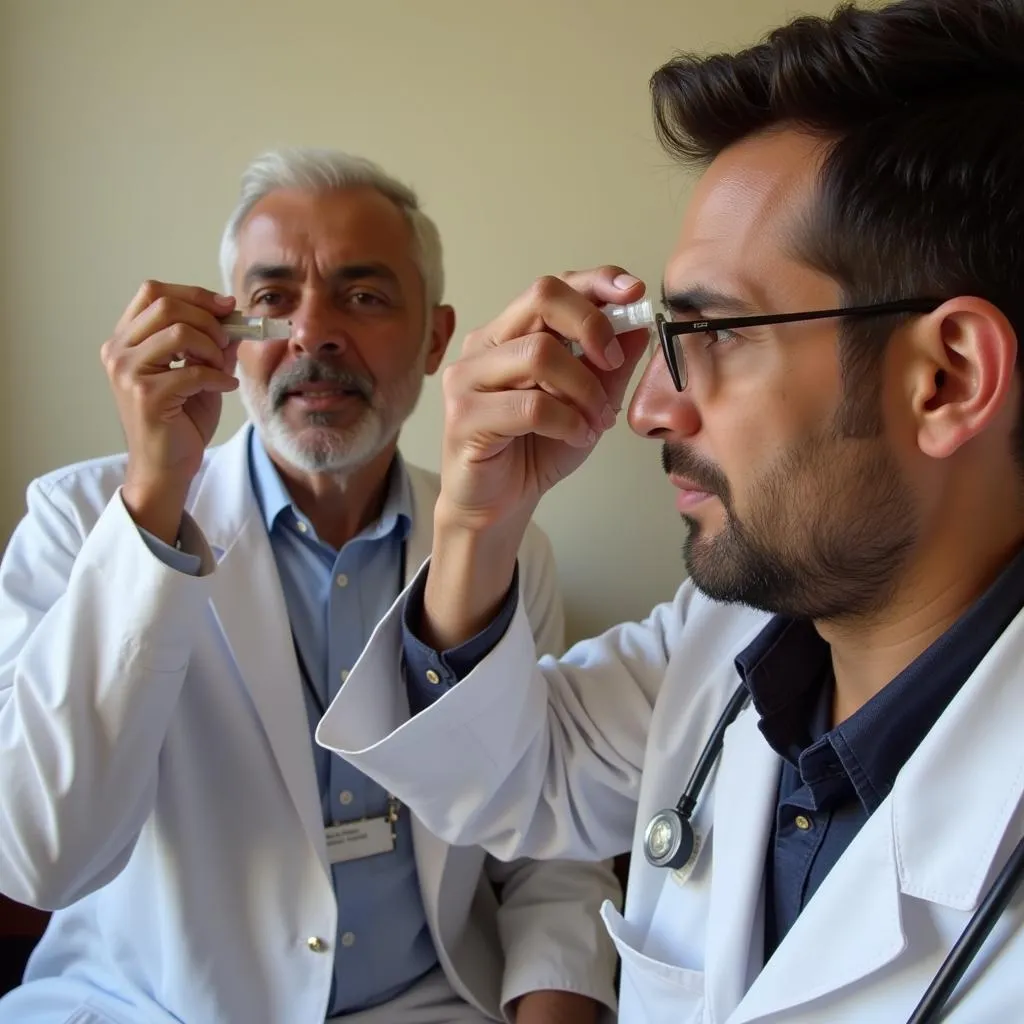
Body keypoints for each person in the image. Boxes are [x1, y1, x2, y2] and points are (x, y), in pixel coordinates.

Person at [316, 2, 1024, 1021]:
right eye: (660, 332)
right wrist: (477, 520)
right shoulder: (726, 648)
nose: (647, 406)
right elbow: (508, 783)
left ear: (945, 378)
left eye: (714, 332)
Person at [0, 149, 620, 1024]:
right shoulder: (81, 523)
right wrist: (153, 504)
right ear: (226, 334)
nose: (313, 333)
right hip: (146, 1006)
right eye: (272, 299)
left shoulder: (507, 546)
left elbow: (551, 847)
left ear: (437, 339)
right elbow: (45, 857)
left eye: (364, 297)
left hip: (424, 1005)